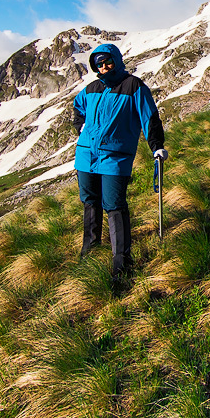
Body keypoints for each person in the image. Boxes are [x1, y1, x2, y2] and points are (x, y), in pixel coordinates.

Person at [72, 43, 167, 285]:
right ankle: (89, 253)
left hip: (115, 157)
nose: (104, 67)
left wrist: (156, 146)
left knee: (114, 205)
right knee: (90, 202)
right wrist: (80, 127)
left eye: (107, 62)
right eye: (99, 63)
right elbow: (77, 107)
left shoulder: (133, 86)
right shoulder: (92, 88)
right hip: (86, 157)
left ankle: (121, 263)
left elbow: (150, 117)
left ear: (116, 60)